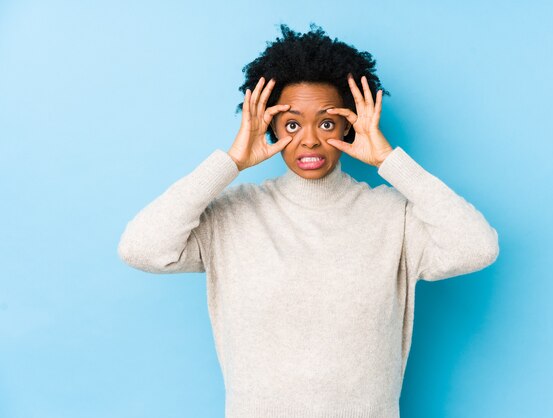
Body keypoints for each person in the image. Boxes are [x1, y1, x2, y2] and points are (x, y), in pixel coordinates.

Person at [118, 23, 499, 418]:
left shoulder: (393, 217)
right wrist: (229, 163)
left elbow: (476, 248)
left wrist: (390, 160)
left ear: (350, 124)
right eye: (293, 124)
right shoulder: (233, 216)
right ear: (269, 126)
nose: (311, 140)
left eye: (328, 122)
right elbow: (141, 249)